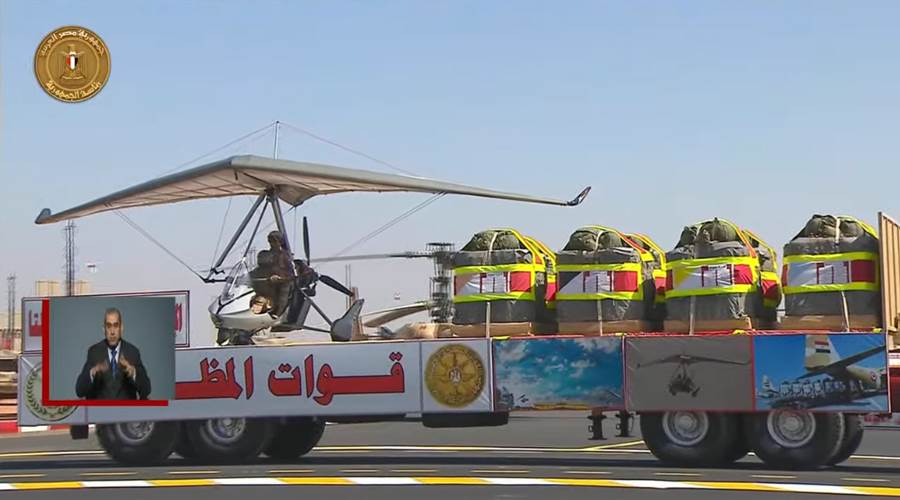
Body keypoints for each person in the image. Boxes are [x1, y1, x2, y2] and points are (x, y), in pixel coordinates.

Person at [75, 307, 151, 400]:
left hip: (126, 408)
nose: (112, 332)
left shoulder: (132, 352)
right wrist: (93, 372)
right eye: (108, 326)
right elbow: (79, 391)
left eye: (116, 325)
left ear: (121, 328)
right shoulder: (94, 352)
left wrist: (133, 372)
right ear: (104, 329)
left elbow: (146, 390)